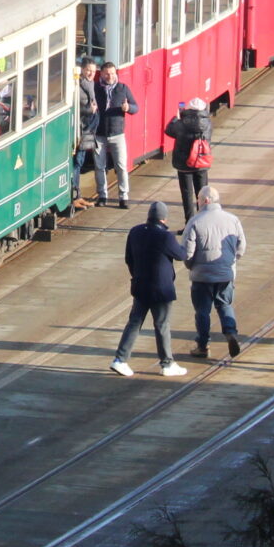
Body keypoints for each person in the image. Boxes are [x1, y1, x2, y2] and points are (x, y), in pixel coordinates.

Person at [111, 200, 190, 379]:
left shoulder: (135, 231)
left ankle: (120, 359)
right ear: (163, 218)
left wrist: (136, 275)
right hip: (161, 289)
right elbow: (181, 255)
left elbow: (128, 258)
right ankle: (167, 363)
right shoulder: (165, 236)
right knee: (162, 325)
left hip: (140, 285)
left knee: (134, 323)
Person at [182, 187, 247, 360]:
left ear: (205, 201)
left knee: (202, 311)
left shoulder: (195, 222)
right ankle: (231, 332)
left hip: (201, 275)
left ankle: (202, 346)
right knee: (224, 305)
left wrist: (191, 266)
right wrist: (230, 261)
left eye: (198, 199)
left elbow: (187, 253)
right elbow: (241, 246)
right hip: (225, 273)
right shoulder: (233, 220)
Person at [82, 61, 137, 209]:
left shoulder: (123, 88)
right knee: (99, 166)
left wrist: (128, 107)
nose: (110, 76)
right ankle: (102, 195)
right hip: (99, 133)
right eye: (107, 73)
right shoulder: (96, 88)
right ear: (102, 74)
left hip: (117, 133)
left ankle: (123, 197)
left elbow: (135, 107)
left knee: (121, 166)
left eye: (112, 73)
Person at [164, 96, 212, 222]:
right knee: (202, 194)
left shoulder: (181, 123)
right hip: (202, 163)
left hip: (184, 164)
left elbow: (168, 131)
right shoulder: (208, 123)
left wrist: (176, 118)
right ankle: (203, 221)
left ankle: (189, 223)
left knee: (187, 194)